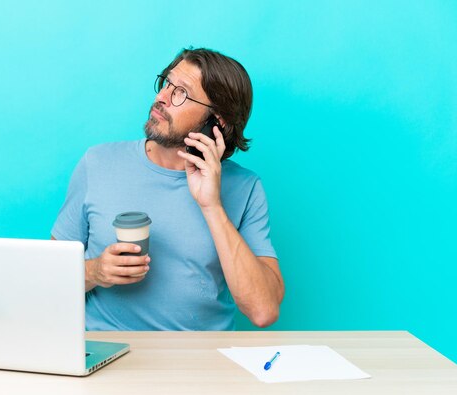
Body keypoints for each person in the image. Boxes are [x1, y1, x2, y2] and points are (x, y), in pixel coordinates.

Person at [51, 48, 284, 330]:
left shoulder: (246, 189)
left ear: (217, 121)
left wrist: (212, 206)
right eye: (167, 84)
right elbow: (47, 278)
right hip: (108, 354)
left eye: (181, 93)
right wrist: (95, 271)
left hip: (201, 361)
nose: (161, 98)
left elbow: (264, 311)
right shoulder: (97, 163)